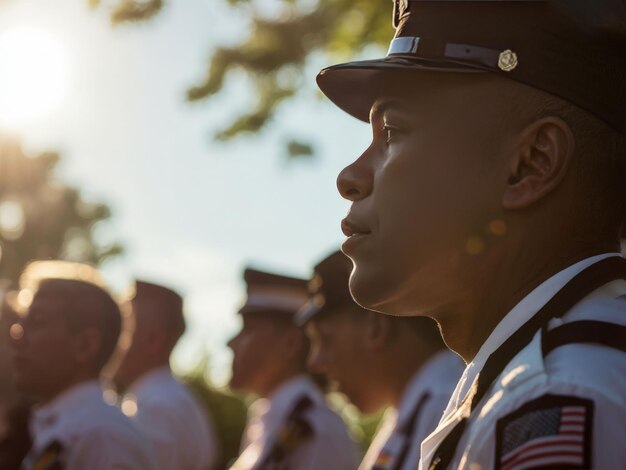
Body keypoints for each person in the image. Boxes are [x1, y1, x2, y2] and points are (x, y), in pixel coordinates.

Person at [317, 0, 626, 468]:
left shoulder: (551, 396)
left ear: (531, 163)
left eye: (393, 133)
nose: (350, 176)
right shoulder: (549, 374)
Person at [296, 250, 463, 470]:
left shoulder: (444, 409)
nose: (315, 363)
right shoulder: (414, 411)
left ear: (376, 327)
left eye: (326, 340)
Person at [9, 261, 156, 469]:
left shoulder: (103, 438)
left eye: (37, 322)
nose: (17, 338)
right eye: (21, 324)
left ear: (85, 346)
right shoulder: (73, 427)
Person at [227, 267, 361, 470]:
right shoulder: (271, 416)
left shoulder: (316, 429)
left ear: (290, 343)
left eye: (248, 329)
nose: (231, 343)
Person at [112, 280, 219, 470]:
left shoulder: (158, 408)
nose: (112, 343)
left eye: (123, 332)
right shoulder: (161, 399)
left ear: (154, 340)